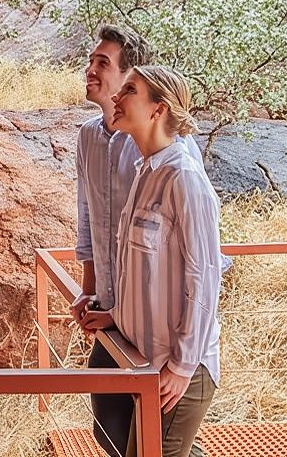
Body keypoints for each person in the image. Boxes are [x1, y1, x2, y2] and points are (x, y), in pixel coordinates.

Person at [69, 26, 204, 457]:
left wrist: (185, 360)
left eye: (103, 64)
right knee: (113, 433)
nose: (90, 71)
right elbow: (88, 219)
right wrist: (93, 294)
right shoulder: (92, 138)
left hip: (165, 339)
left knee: (154, 446)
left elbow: (202, 266)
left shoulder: (175, 163)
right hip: (119, 319)